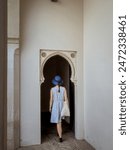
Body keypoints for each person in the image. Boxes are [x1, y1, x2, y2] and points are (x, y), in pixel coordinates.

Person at [49, 75, 68, 142]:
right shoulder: (64, 89)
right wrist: (66, 107)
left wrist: (50, 107)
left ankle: (60, 137)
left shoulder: (52, 89)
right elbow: (66, 99)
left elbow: (51, 99)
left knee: (58, 122)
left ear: (54, 82)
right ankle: (59, 134)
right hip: (62, 106)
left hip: (55, 106)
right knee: (60, 121)